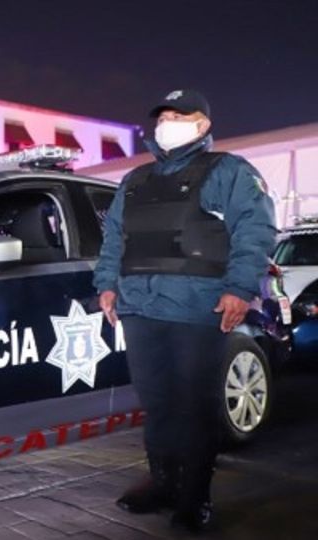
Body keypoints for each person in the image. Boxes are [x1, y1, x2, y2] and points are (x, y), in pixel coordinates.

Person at [93, 89, 276, 533]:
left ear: (203, 125)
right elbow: (115, 239)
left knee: (194, 405)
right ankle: (163, 484)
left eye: (179, 115)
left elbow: (255, 229)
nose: (167, 122)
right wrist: (107, 285)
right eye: (163, 116)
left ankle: (195, 498)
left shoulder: (228, 171)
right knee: (157, 404)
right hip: (140, 308)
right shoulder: (135, 180)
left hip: (198, 307)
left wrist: (238, 288)